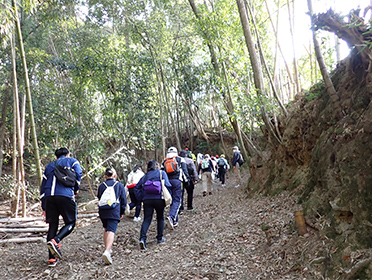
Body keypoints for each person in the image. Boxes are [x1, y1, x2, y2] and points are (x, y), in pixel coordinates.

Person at [40, 147, 82, 267]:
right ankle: (56, 241)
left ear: (56, 157)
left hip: (49, 197)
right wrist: (76, 189)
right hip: (65, 196)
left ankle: (52, 259)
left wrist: (44, 205)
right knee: (71, 222)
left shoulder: (49, 166)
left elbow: (43, 186)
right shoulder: (72, 161)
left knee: (52, 225)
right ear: (67, 154)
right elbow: (78, 174)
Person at [134, 160, 171, 250]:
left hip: (147, 200)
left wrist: (141, 198)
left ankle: (142, 238)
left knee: (147, 219)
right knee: (160, 218)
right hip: (159, 199)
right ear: (157, 166)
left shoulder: (145, 176)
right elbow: (167, 185)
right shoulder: (162, 173)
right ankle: (159, 238)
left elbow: (136, 187)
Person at [97, 167, 127, 265]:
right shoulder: (119, 185)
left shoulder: (101, 186)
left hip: (103, 210)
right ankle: (107, 251)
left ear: (105, 176)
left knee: (106, 228)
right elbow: (123, 200)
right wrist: (121, 212)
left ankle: (108, 249)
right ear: (114, 175)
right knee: (111, 230)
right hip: (114, 210)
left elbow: (99, 197)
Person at [162, 147, 189, 230]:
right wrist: (187, 180)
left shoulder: (164, 161)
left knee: (171, 200)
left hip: (167, 183)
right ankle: (171, 217)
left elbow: (162, 173)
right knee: (177, 200)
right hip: (177, 182)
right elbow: (184, 171)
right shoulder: (180, 159)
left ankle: (174, 221)